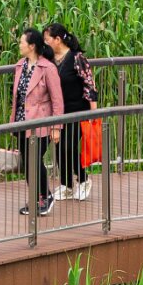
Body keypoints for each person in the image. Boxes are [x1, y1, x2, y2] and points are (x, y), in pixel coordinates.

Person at [10, 26, 61, 216]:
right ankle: (38, 197)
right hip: (22, 121)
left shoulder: (47, 68)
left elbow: (57, 100)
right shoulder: (20, 66)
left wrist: (56, 127)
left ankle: (44, 197)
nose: (19, 45)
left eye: (22, 42)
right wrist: (13, 122)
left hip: (41, 122)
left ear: (32, 46)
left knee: (34, 159)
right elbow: (17, 97)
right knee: (27, 160)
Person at [45, 21, 97, 198]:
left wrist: (94, 112)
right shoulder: (50, 60)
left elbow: (89, 84)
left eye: (47, 39)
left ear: (57, 39)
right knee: (59, 148)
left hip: (77, 110)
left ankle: (83, 180)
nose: (45, 43)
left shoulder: (76, 58)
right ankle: (66, 185)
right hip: (58, 112)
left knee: (68, 146)